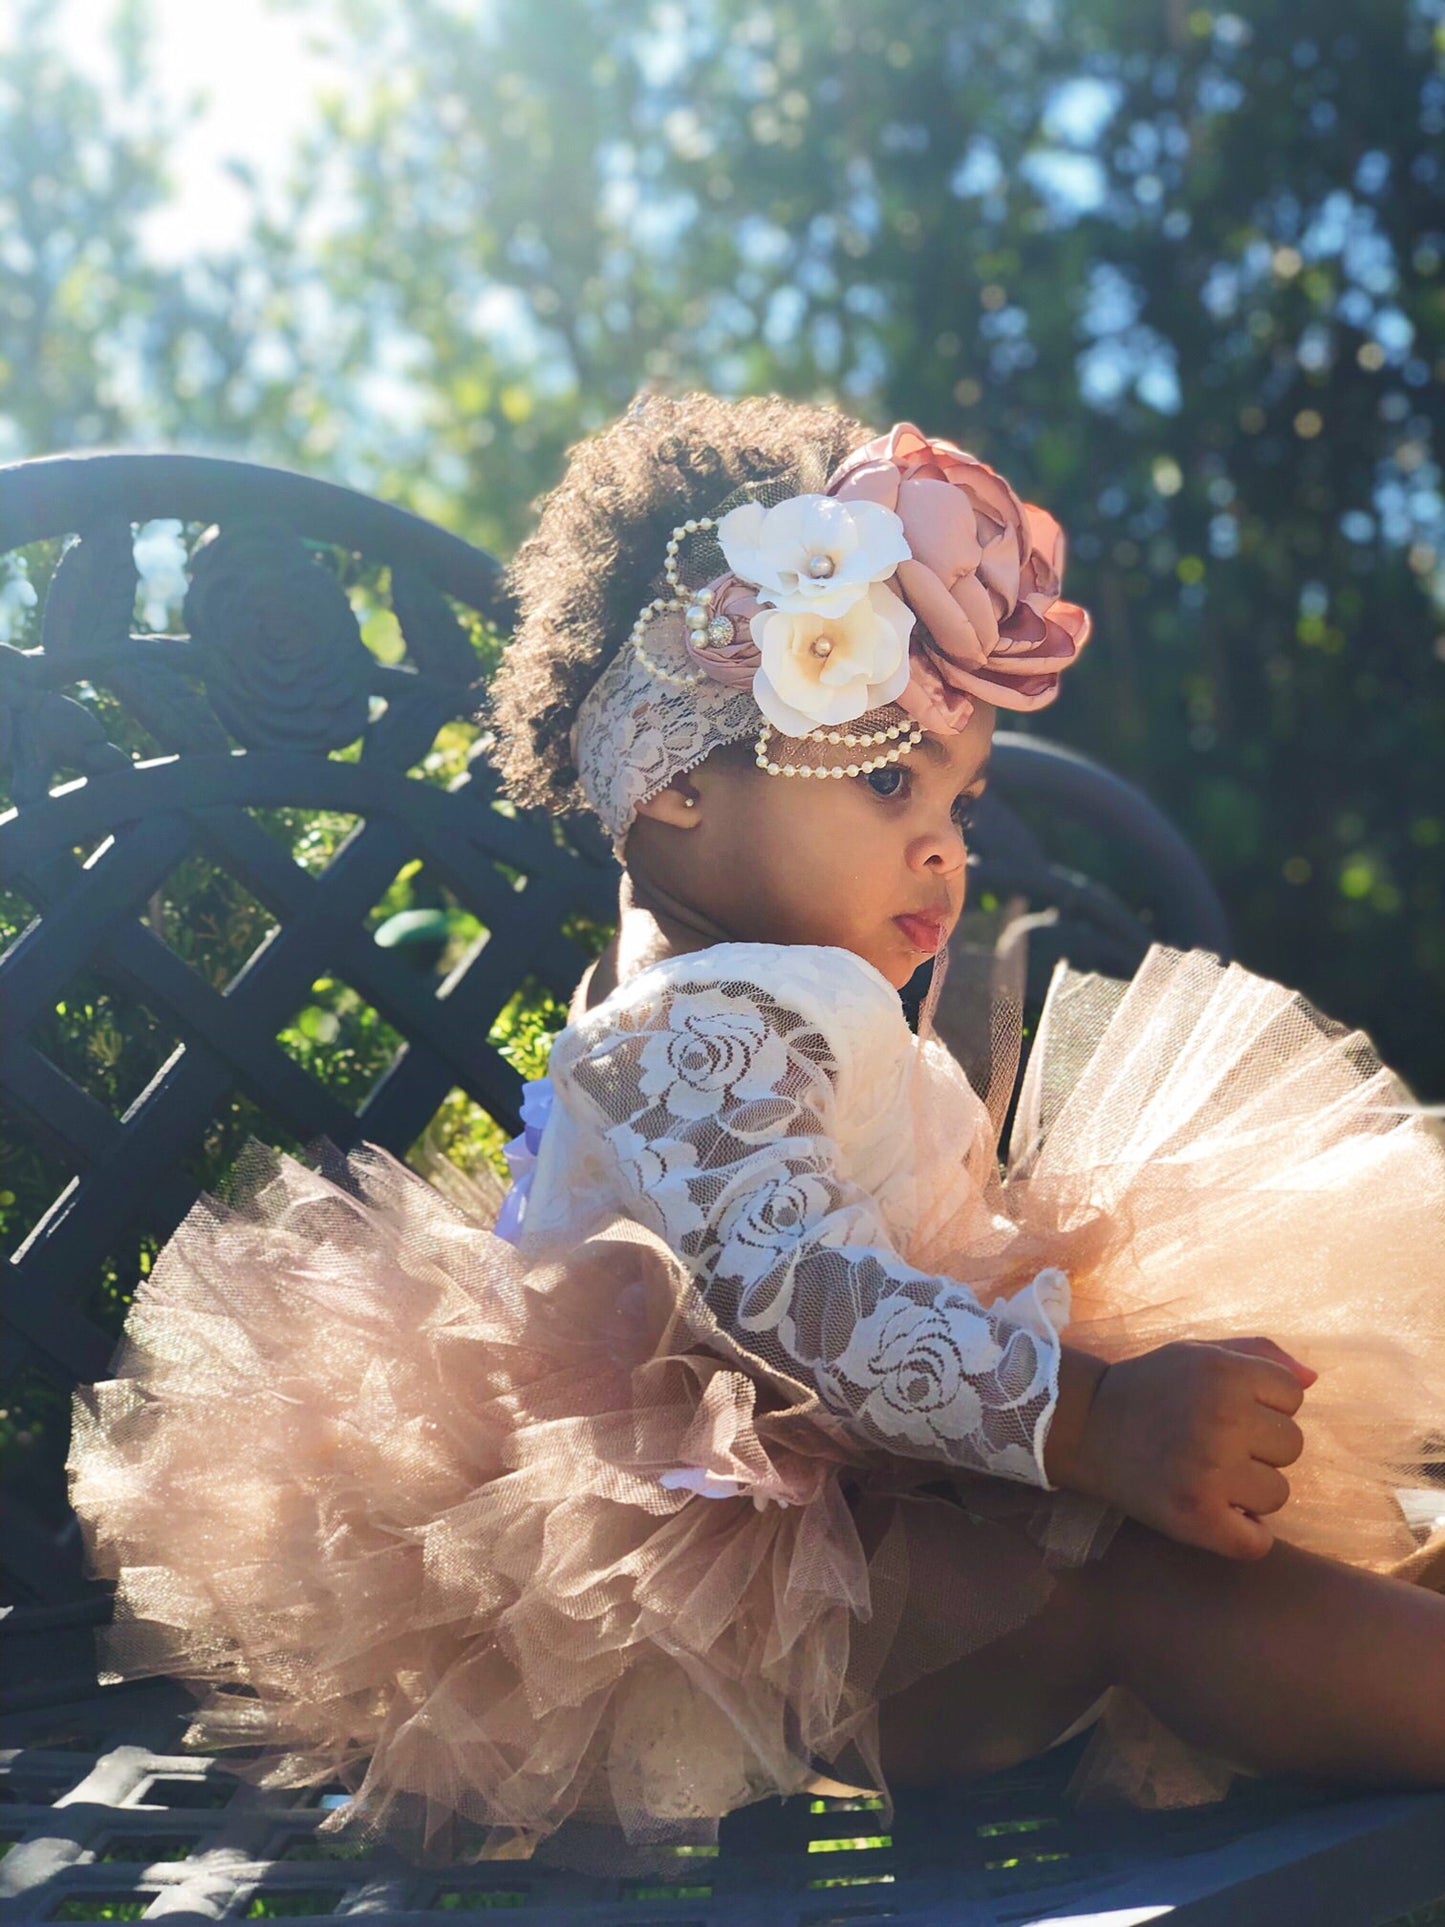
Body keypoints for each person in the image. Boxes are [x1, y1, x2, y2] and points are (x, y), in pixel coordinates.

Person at [68, 392, 1445, 1876]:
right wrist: (1087, 1415)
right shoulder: (693, 1025)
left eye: (960, 797)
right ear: (673, 782)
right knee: (1140, 1590)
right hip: (735, 1595)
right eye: (884, 780)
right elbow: (795, 1298)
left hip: (892, 1512)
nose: (943, 845)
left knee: (1220, 1553)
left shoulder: (789, 999)